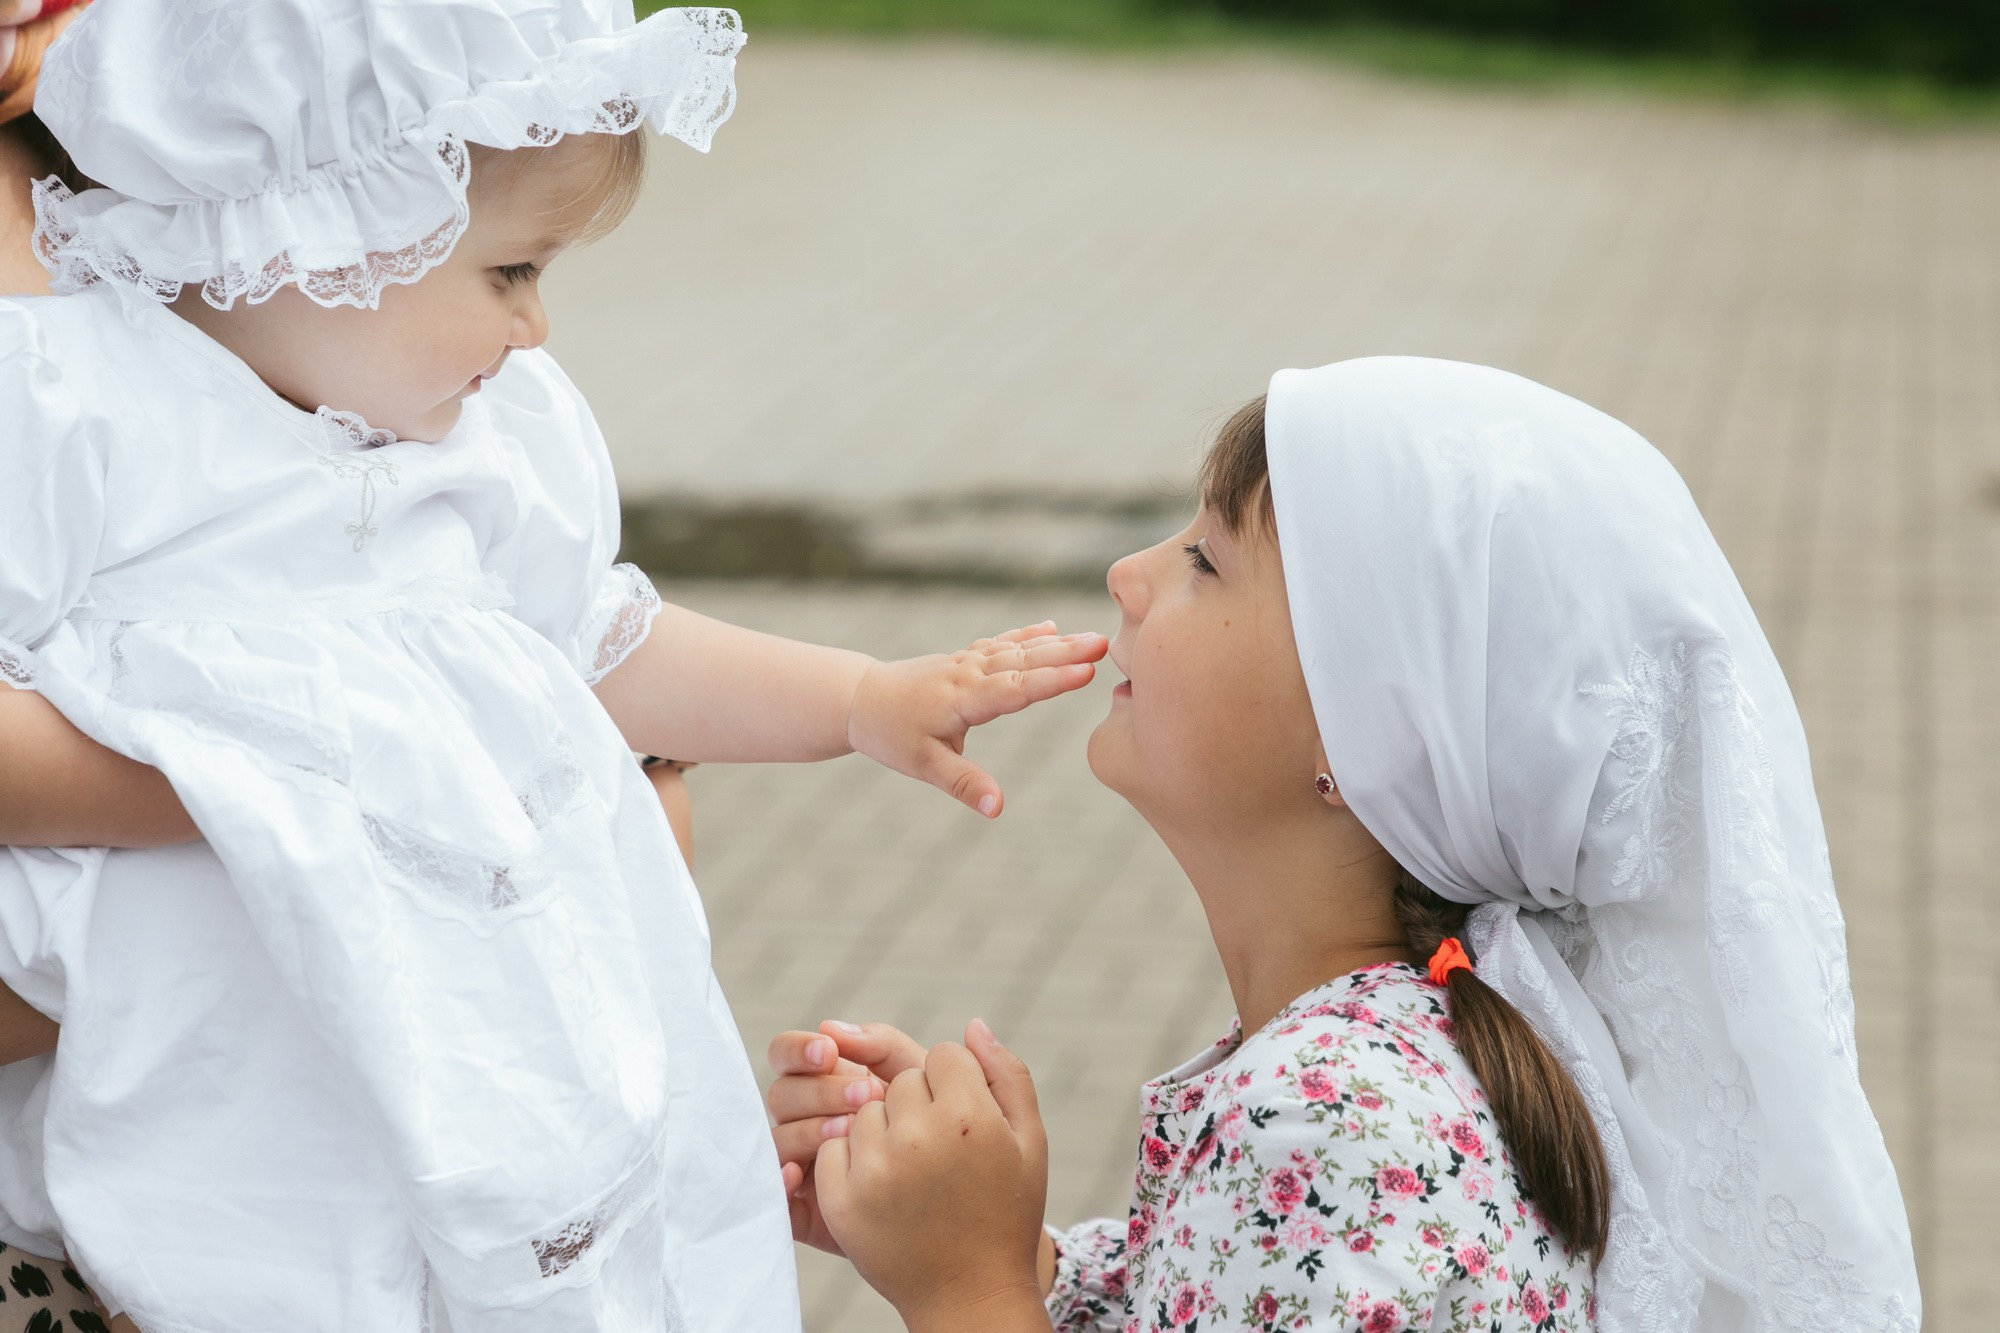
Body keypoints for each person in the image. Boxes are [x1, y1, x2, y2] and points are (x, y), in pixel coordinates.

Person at [0, 2, 1107, 1328]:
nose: (535, 331)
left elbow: (595, 643)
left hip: (473, 1059)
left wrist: (857, 701)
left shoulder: (485, 447)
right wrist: (332, 779)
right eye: (511, 273)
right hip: (219, 1100)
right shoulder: (81, 410)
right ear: (319, 237)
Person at [767, 358, 1922, 1331]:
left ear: (1369, 734)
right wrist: (999, 1245)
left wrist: (962, 1289)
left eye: (1205, 560)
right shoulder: (1389, 1059)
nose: (1129, 573)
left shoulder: (1333, 1126)